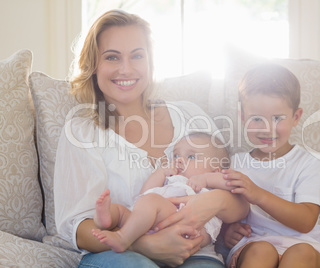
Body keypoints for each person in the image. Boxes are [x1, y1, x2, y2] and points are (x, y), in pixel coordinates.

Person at [53, 9, 249, 268]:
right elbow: (76, 226)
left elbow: (239, 196)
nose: (126, 68)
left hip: (196, 252)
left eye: (137, 55)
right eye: (112, 57)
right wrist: (145, 244)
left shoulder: (189, 116)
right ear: (93, 65)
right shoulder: (82, 132)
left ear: (150, 62)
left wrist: (216, 201)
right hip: (119, 256)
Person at [217, 63, 320, 267]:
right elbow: (224, 209)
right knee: (260, 251)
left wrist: (258, 194)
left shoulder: (309, 163)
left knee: (301, 254)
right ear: (242, 117)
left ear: (296, 117)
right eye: (256, 118)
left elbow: (306, 221)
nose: (267, 129)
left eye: (277, 118)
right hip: (255, 243)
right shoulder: (236, 163)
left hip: (304, 244)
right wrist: (227, 231)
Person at [91, 132, 233, 262]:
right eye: (176, 155)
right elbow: (145, 194)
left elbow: (231, 185)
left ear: (215, 170)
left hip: (189, 228)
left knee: (150, 201)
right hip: (154, 225)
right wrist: (160, 173)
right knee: (122, 210)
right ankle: (105, 219)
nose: (179, 160)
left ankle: (122, 238)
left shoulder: (209, 185)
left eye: (191, 157)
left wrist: (207, 179)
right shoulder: (171, 179)